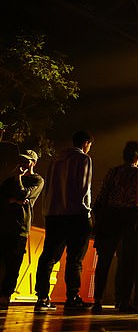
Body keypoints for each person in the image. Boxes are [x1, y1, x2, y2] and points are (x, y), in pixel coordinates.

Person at [34, 130, 94, 312]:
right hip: (76, 214)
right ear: (86, 143)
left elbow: (50, 187)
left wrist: (47, 211)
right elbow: (84, 188)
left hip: (54, 214)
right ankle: (72, 297)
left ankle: (42, 297)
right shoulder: (84, 159)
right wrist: (87, 212)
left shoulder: (56, 159)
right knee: (75, 258)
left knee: (49, 256)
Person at [91, 141, 138, 314]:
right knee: (127, 262)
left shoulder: (113, 172)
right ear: (137, 157)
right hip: (130, 219)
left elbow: (102, 196)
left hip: (110, 217)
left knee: (104, 261)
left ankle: (97, 301)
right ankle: (124, 301)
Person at [0, 150, 44, 310]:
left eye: (27, 161)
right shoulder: (9, 181)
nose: (23, 164)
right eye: (21, 161)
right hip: (3, 225)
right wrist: (13, 200)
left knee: (13, 265)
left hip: (19, 228)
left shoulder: (37, 180)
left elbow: (23, 194)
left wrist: (18, 181)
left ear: (34, 163)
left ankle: (5, 296)